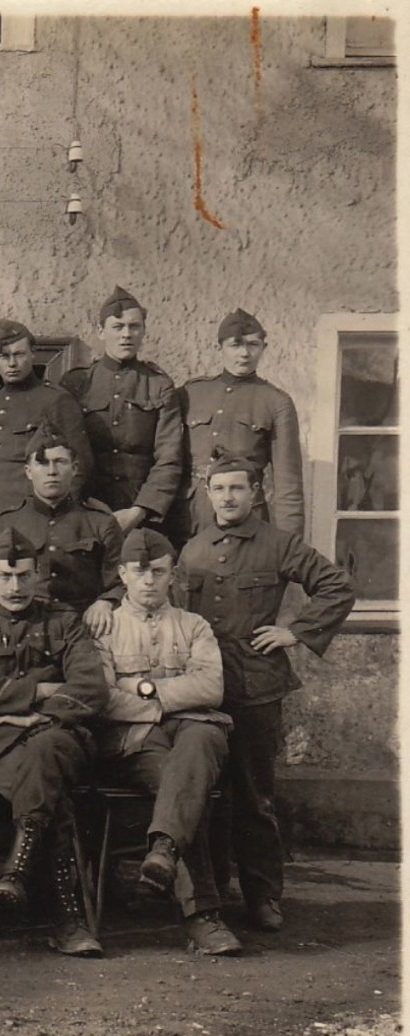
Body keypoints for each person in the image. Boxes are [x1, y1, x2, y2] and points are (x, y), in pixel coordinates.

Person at [176, 451, 354, 932]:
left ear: (256, 493)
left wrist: (294, 631)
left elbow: (337, 585)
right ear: (207, 494)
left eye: (238, 487)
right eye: (220, 488)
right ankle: (210, 897)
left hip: (256, 687)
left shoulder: (278, 544)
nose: (229, 496)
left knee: (255, 798)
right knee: (206, 795)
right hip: (204, 691)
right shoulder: (192, 550)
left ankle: (263, 897)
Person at [0, 525, 108, 956]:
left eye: (24, 575)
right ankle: (66, 919)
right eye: (4, 576)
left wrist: (36, 716)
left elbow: (92, 690)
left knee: (45, 751)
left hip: (58, 735)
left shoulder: (64, 622)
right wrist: (43, 690)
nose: (15, 586)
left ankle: (19, 869)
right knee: (51, 795)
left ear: (38, 573)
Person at [90, 527, 241, 955]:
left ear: (172, 573)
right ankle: (202, 917)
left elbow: (211, 688)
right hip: (138, 739)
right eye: (140, 572)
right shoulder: (104, 628)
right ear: (122, 574)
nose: (149, 581)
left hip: (196, 730)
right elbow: (102, 699)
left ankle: (163, 851)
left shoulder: (195, 626)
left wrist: (138, 687)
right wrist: (159, 702)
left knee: (200, 741)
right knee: (183, 787)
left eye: (158, 571)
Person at [53, 286, 182, 534]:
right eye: (118, 327)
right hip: (84, 511)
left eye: (134, 327)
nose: (126, 334)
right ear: (101, 331)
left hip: (143, 516)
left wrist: (140, 511)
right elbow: (61, 451)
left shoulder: (158, 386)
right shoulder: (76, 384)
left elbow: (169, 458)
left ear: (144, 331)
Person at [172, 308, 305, 539]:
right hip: (190, 517)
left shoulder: (276, 402)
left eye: (253, 345)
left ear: (264, 348)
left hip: (246, 521)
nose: (244, 353)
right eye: (235, 345)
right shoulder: (190, 393)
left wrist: (288, 550)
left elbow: (288, 487)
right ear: (219, 348)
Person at [0, 426, 121, 613]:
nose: (52, 471)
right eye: (42, 463)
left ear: (74, 469)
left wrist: (106, 602)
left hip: (83, 621)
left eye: (60, 462)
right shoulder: (5, 523)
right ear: (28, 471)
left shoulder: (100, 522)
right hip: (27, 622)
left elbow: (119, 582)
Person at [0, 320, 92, 529]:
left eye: (19, 354)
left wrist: (58, 518)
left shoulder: (55, 400)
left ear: (32, 353)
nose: (12, 363)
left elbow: (79, 465)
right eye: (4, 356)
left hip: (32, 519)